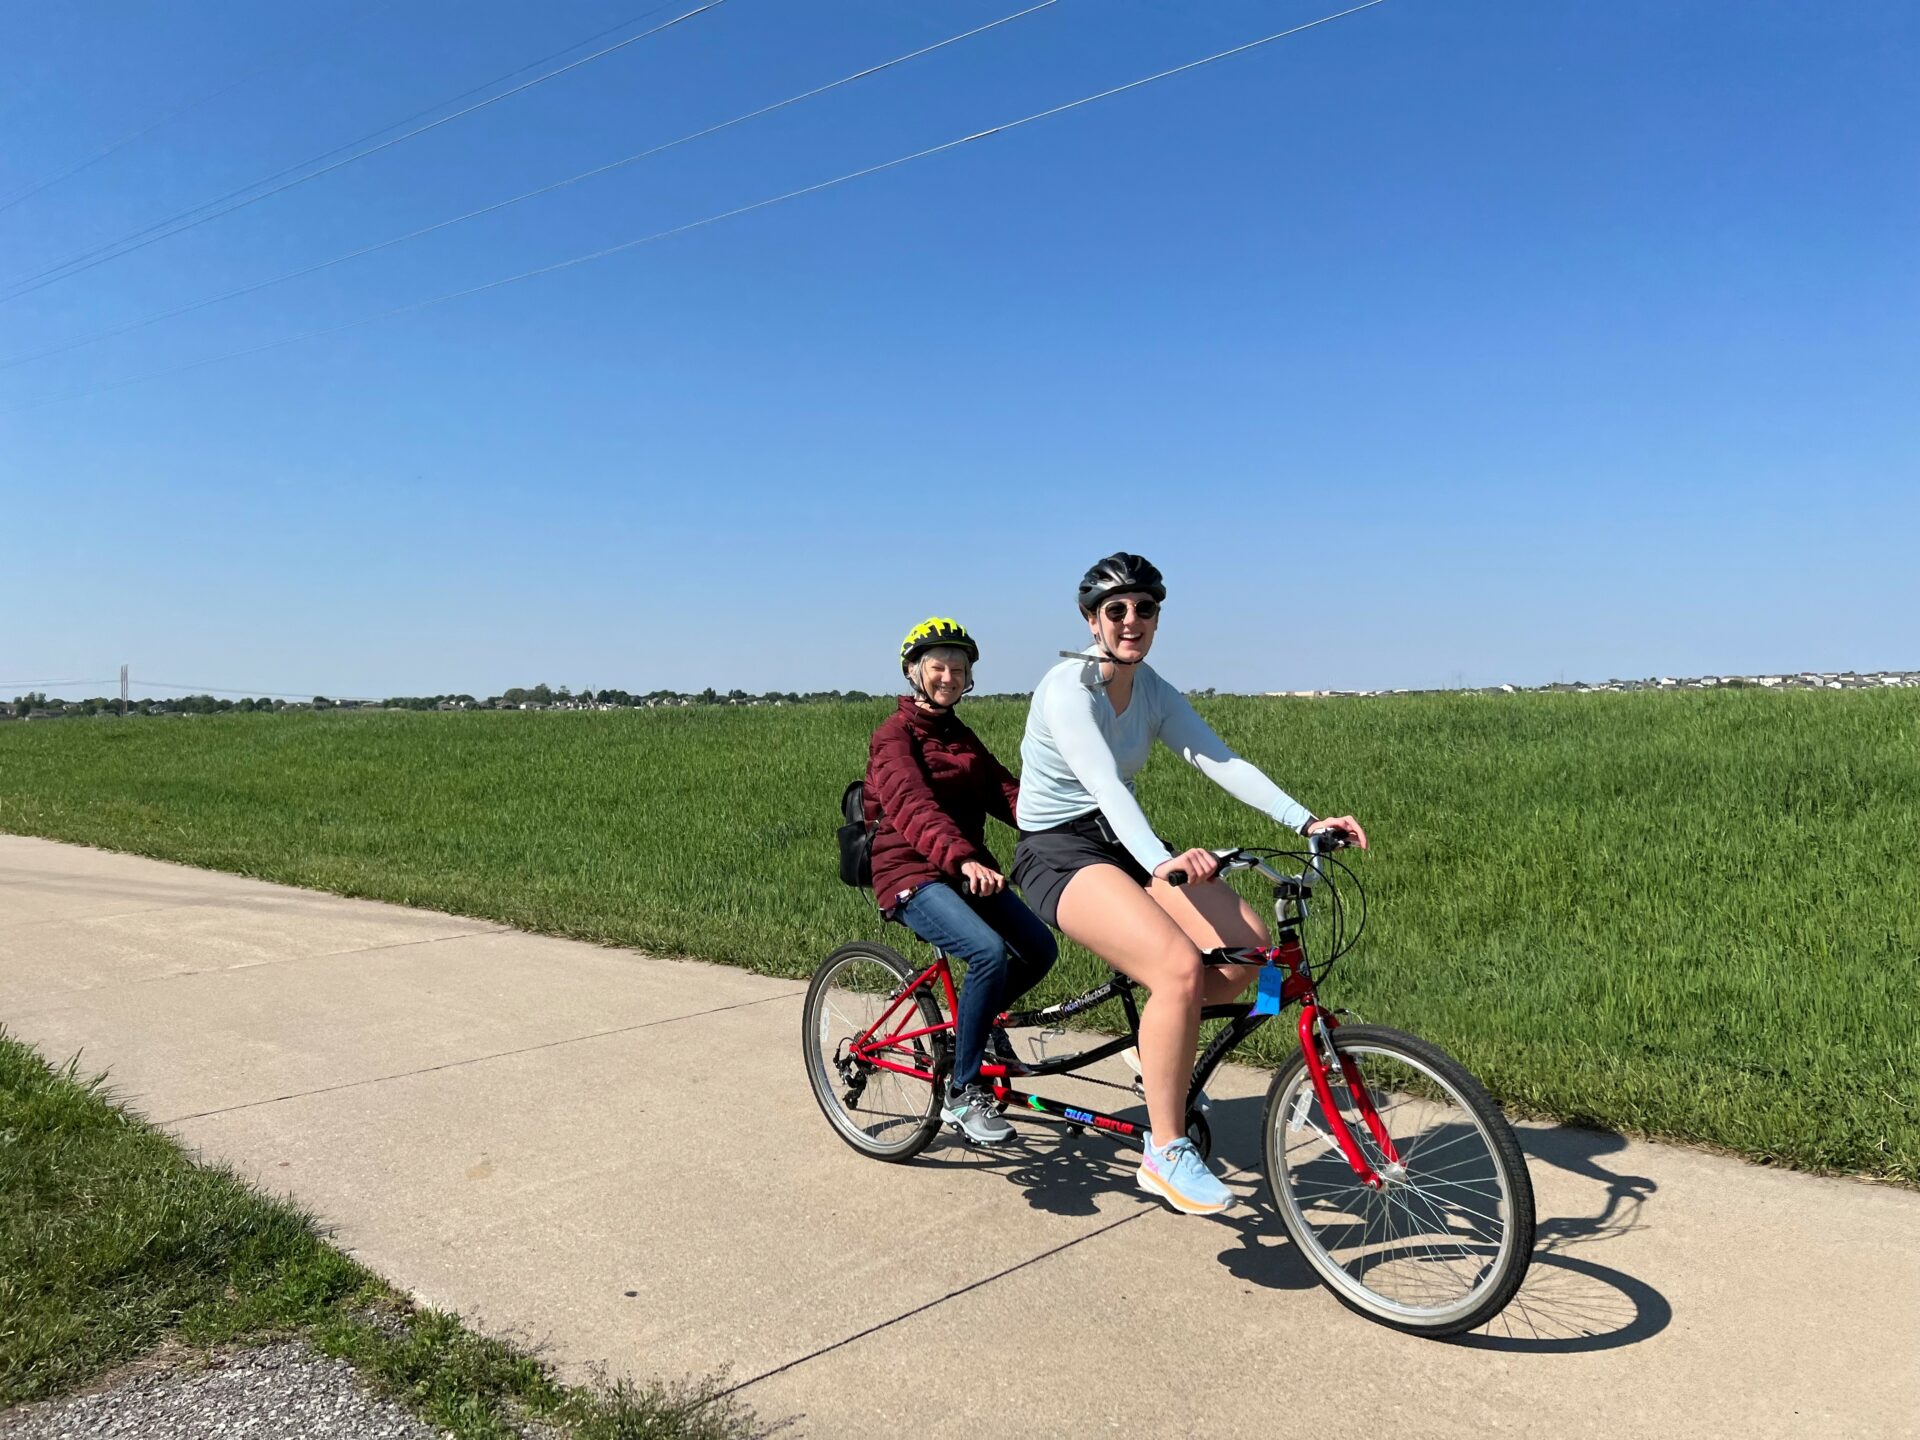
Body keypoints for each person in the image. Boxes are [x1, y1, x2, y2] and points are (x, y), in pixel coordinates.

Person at [1012, 554, 1366, 1215]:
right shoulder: (1068, 688)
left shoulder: (1152, 689)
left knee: (1251, 953)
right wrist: (1159, 863)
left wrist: (1307, 820)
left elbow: (1221, 760)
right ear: (1091, 620)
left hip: (1124, 842)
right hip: (1059, 851)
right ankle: (1165, 1151)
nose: (1131, 621)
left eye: (1145, 609)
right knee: (1177, 968)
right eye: (1115, 610)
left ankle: (1157, 1049)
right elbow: (1105, 786)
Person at [866, 618, 1058, 1146]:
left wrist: (1069, 827)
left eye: (959, 667)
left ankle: (978, 1024)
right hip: (909, 871)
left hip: (961, 867)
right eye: (938, 666)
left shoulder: (960, 736)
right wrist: (962, 859)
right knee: (989, 953)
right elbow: (911, 804)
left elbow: (1006, 793)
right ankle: (961, 1090)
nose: (949, 676)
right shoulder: (893, 736)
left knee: (1039, 949)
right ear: (914, 672)